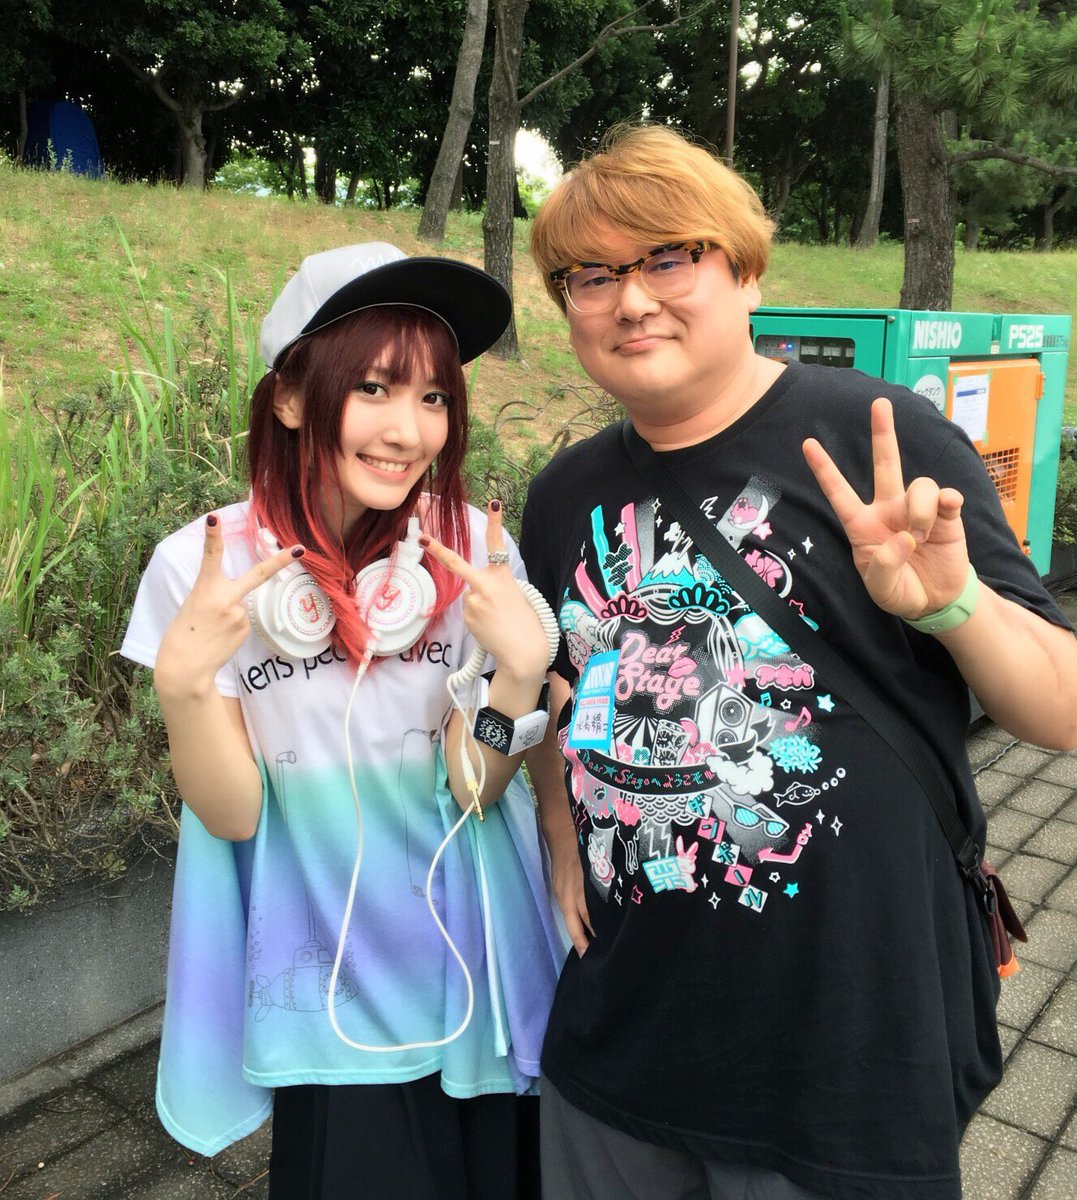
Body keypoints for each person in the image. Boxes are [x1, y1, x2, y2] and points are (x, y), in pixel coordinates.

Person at [519, 125, 1077, 1200]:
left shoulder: (878, 435)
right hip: (623, 1025)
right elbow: (562, 674)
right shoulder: (564, 492)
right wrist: (556, 827)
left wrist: (952, 603)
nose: (630, 300)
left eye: (668, 258)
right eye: (590, 275)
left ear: (745, 272)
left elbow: (1059, 711)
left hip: (847, 1046)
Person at [121, 242, 566, 1200]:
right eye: (372, 388)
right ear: (289, 396)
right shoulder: (205, 566)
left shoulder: (470, 551)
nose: (408, 430)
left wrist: (518, 678)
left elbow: (473, 789)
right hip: (328, 992)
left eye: (434, 396)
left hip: (478, 978)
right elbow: (235, 816)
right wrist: (184, 688)